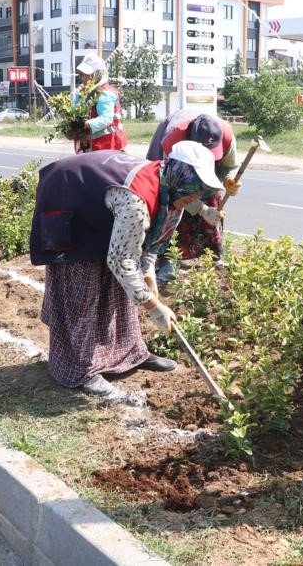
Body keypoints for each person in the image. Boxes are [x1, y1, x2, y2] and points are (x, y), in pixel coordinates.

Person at [30, 141, 223, 396]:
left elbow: (153, 243)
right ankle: (80, 370)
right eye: (193, 191)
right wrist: (154, 307)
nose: (195, 197)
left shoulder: (171, 189)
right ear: (181, 175)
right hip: (70, 201)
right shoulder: (137, 201)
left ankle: (130, 353)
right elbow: (121, 261)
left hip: (103, 206)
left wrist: (148, 275)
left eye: (198, 193)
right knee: (83, 291)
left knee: (121, 290)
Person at [145, 111, 241, 280]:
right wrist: (203, 210)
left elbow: (231, 165)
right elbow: (171, 188)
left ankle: (214, 254)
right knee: (172, 205)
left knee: (213, 194)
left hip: (202, 152)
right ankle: (167, 259)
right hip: (174, 161)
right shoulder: (173, 139)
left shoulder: (225, 134)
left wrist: (228, 180)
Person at [70, 52, 127, 153]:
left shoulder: (106, 93)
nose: (83, 77)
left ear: (97, 74)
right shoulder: (82, 93)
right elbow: (74, 112)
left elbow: (106, 118)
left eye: (86, 74)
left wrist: (85, 124)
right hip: (89, 147)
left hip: (108, 148)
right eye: (81, 74)